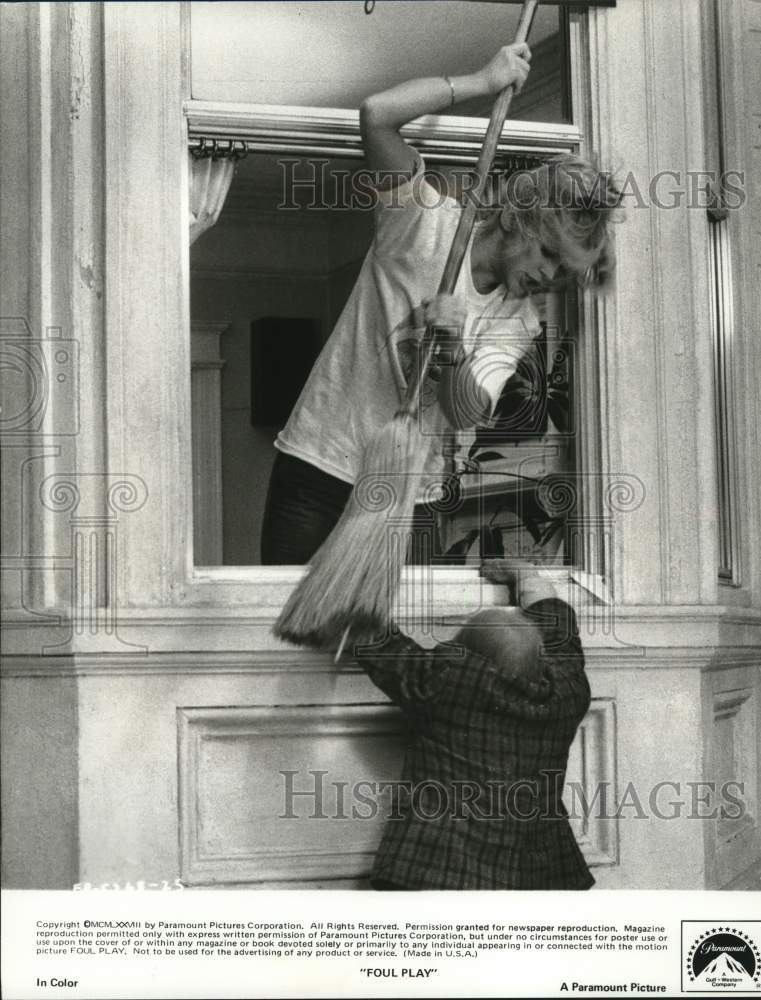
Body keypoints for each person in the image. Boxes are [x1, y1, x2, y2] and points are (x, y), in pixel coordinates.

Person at [261, 42, 621, 564]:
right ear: (519, 217)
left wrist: (452, 352)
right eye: (548, 253)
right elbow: (377, 115)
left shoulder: (517, 320)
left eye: (564, 272)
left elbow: (470, 409)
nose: (549, 276)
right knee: (284, 632)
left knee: (387, 641)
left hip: (411, 493)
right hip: (320, 463)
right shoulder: (422, 222)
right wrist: (480, 80)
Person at [354, 560, 593, 891]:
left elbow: (385, 648)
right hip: (532, 876)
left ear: (468, 652)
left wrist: (351, 582)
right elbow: (561, 635)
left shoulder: (450, 683)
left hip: (442, 871)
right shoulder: (568, 692)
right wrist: (527, 577)